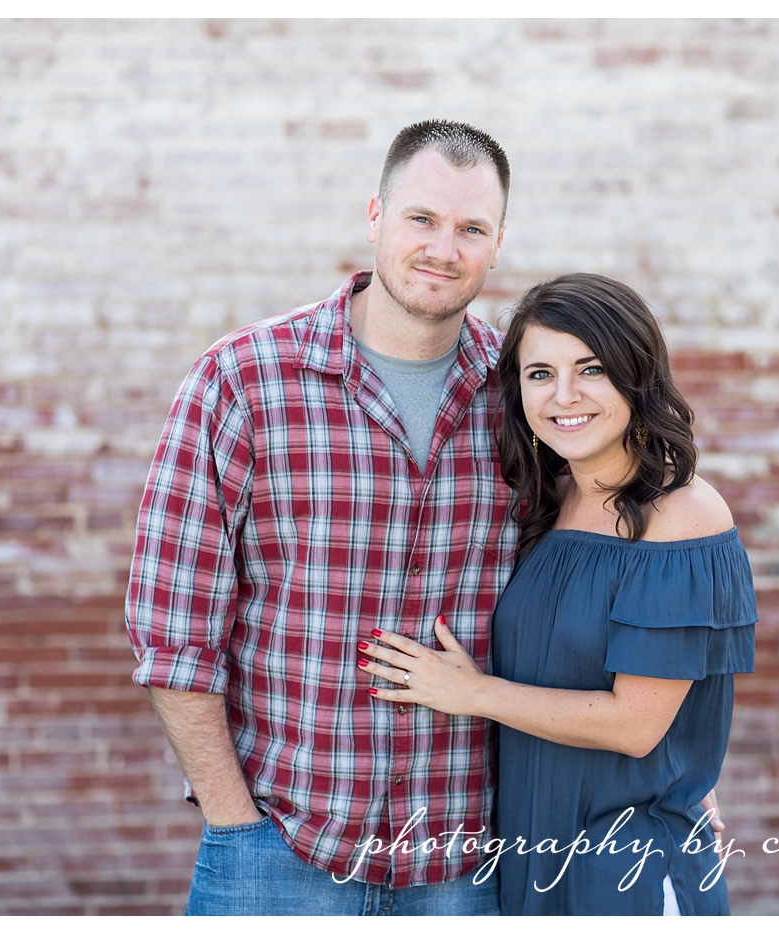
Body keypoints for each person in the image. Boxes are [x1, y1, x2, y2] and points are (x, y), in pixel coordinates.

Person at [125, 120, 522, 915]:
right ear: (375, 214)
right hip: (281, 852)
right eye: (422, 219)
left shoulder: (529, 396)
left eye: (471, 228)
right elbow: (172, 628)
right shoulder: (242, 381)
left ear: (497, 242)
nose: (444, 248)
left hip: (465, 864)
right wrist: (236, 823)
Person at [357, 273, 758, 915]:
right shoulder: (549, 500)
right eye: (540, 373)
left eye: (591, 369)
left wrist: (472, 693)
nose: (563, 395)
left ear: (637, 376)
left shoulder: (682, 514)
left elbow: (635, 725)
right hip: (528, 859)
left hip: (624, 872)